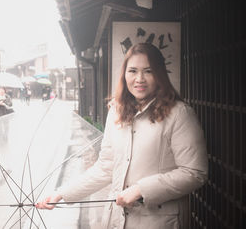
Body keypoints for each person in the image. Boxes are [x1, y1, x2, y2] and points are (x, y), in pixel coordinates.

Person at [36, 43, 208, 229]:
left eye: (148, 71)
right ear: (124, 73)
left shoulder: (179, 114)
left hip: (159, 222)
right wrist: (62, 194)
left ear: (159, 75)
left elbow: (194, 173)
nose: (139, 79)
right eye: (132, 71)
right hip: (118, 220)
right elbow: (105, 167)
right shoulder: (117, 112)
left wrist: (141, 189)